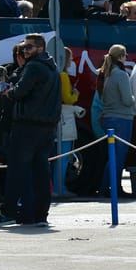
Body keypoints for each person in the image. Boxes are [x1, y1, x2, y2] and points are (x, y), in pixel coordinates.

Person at [3, 33, 62, 225]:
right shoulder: (52, 67)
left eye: (29, 47)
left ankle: (13, 212)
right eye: (23, 48)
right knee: (41, 172)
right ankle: (40, 214)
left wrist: (9, 92)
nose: (24, 51)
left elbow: (20, 91)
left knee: (19, 171)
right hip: (47, 127)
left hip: (27, 125)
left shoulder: (34, 66)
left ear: (40, 48)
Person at [99, 45, 134, 193]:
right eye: (125, 55)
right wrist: (134, 98)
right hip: (121, 118)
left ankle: (110, 187)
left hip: (108, 117)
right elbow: (127, 100)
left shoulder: (107, 73)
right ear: (121, 57)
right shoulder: (121, 74)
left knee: (113, 156)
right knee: (118, 157)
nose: (126, 58)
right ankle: (110, 188)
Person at [56, 47, 81, 195]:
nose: (72, 61)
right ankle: (60, 188)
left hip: (56, 118)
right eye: (70, 58)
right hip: (65, 119)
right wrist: (75, 94)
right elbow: (68, 99)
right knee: (63, 157)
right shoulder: (63, 76)